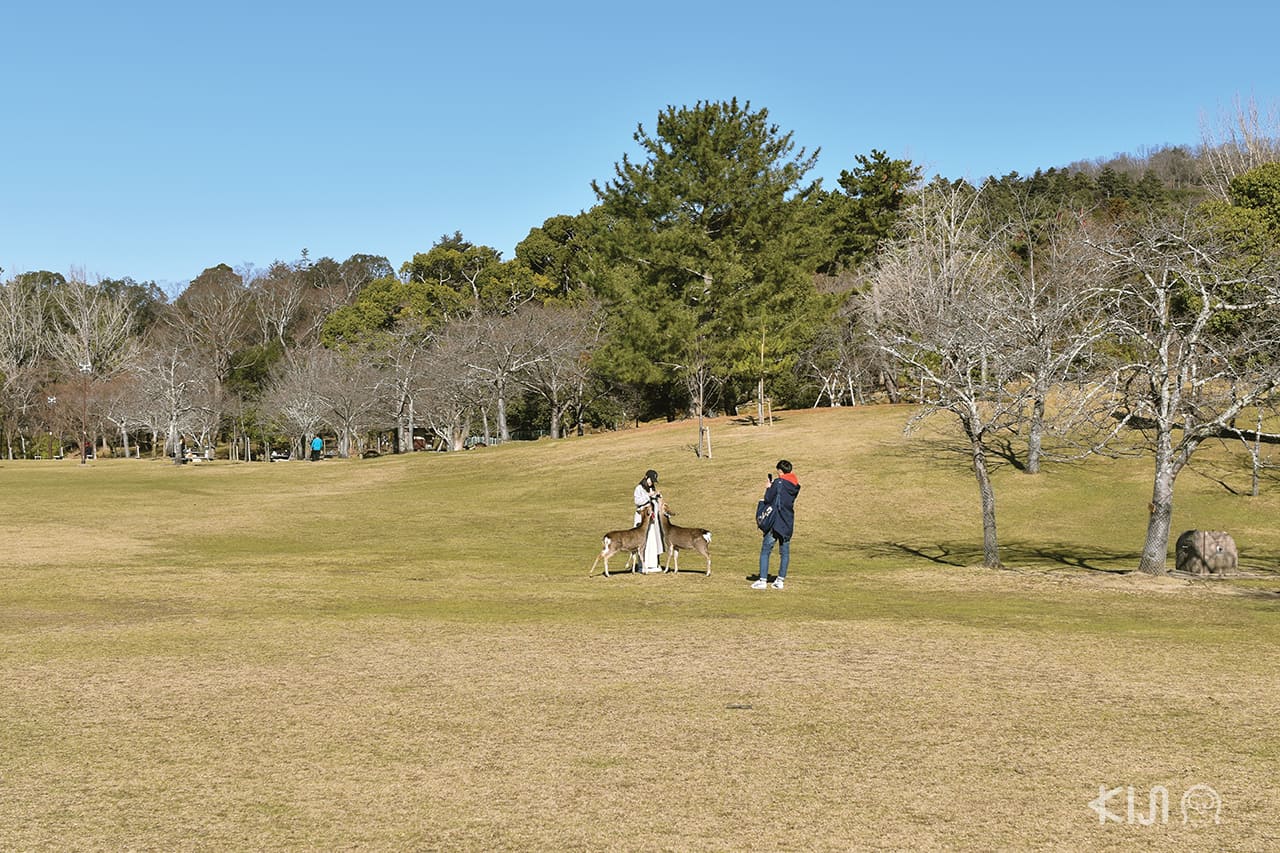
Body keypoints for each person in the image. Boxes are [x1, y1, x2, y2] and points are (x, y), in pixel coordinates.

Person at [753, 459, 800, 590]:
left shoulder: (779, 483)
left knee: (766, 550)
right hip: (788, 522)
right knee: (784, 552)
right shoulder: (794, 485)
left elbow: (768, 499)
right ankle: (780, 580)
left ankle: (762, 580)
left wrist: (769, 487)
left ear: (780, 471)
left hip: (776, 522)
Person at [632, 469, 666, 573]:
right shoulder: (639, 488)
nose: (652, 482)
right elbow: (637, 501)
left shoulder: (651, 488)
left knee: (653, 540)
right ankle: (643, 564)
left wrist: (656, 497)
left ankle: (653, 564)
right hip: (642, 520)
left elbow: (653, 502)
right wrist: (649, 496)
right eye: (651, 480)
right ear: (646, 477)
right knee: (643, 541)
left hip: (652, 520)